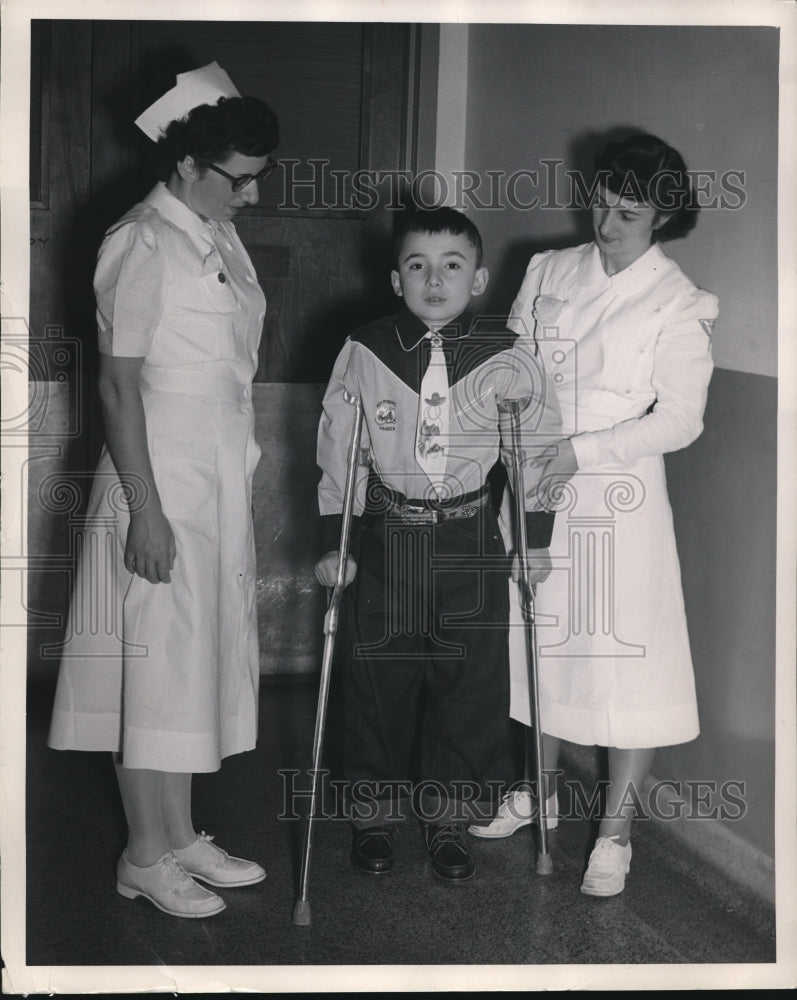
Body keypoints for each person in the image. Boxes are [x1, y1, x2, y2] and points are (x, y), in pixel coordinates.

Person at [48, 63, 280, 918]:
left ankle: (178, 834)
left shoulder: (210, 235)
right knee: (150, 668)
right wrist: (145, 510)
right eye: (239, 179)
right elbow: (116, 387)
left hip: (209, 477)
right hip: (157, 483)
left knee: (188, 663)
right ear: (186, 166)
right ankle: (142, 855)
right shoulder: (141, 240)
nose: (251, 196)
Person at [467, 132, 719, 898]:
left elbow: (680, 420)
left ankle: (613, 835)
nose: (607, 226)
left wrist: (581, 451)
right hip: (533, 481)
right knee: (536, 644)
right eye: (601, 207)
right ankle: (534, 791)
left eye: (628, 215)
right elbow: (510, 364)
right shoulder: (548, 270)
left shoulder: (677, 301)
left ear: (662, 218)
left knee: (622, 663)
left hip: (617, 496)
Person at [314, 206, 561, 883]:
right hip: (387, 536)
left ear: (477, 278)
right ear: (395, 279)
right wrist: (334, 540)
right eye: (416, 265)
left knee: (468, 683)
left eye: (451, 265)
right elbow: (339, 448)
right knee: (377, 677)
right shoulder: (365, 349)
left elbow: (534, 452)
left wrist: (532, 541)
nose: (433, 278)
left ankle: (449, 815)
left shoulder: (506, 355)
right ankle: (373, 812)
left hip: (468, 537)